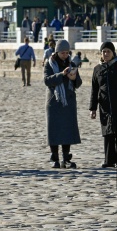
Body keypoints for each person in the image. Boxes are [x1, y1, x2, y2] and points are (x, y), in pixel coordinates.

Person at [44, 40, 82, 168]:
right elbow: (47, 80)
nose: (65, 55)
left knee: (67, 129)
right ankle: (54, 156)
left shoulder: (71, 64)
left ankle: (66, 157)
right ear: (57, 52)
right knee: (54, 129)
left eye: (67, 52)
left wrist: (74, 78)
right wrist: (62, 74)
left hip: (68, 102)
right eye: (62, 53)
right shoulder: (49, 64)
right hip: (54, 101)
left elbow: (79, 82)